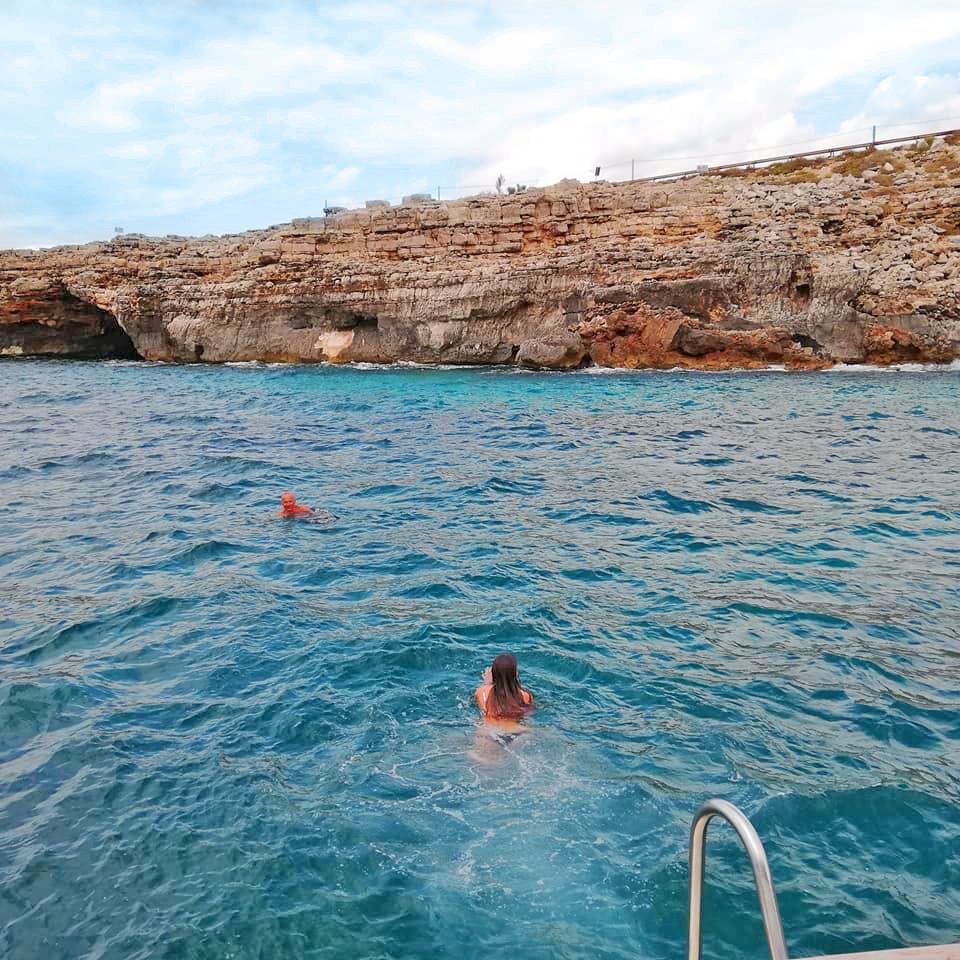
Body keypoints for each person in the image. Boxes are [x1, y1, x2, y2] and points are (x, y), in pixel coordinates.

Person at [475, 653, 534, 730]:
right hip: (517, 730)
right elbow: (528, 714)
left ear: (494, 673)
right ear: (515, 673)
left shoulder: (481, 693)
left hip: (490, 731)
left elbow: (483, 707)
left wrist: (487, 682)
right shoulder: (525, 695)